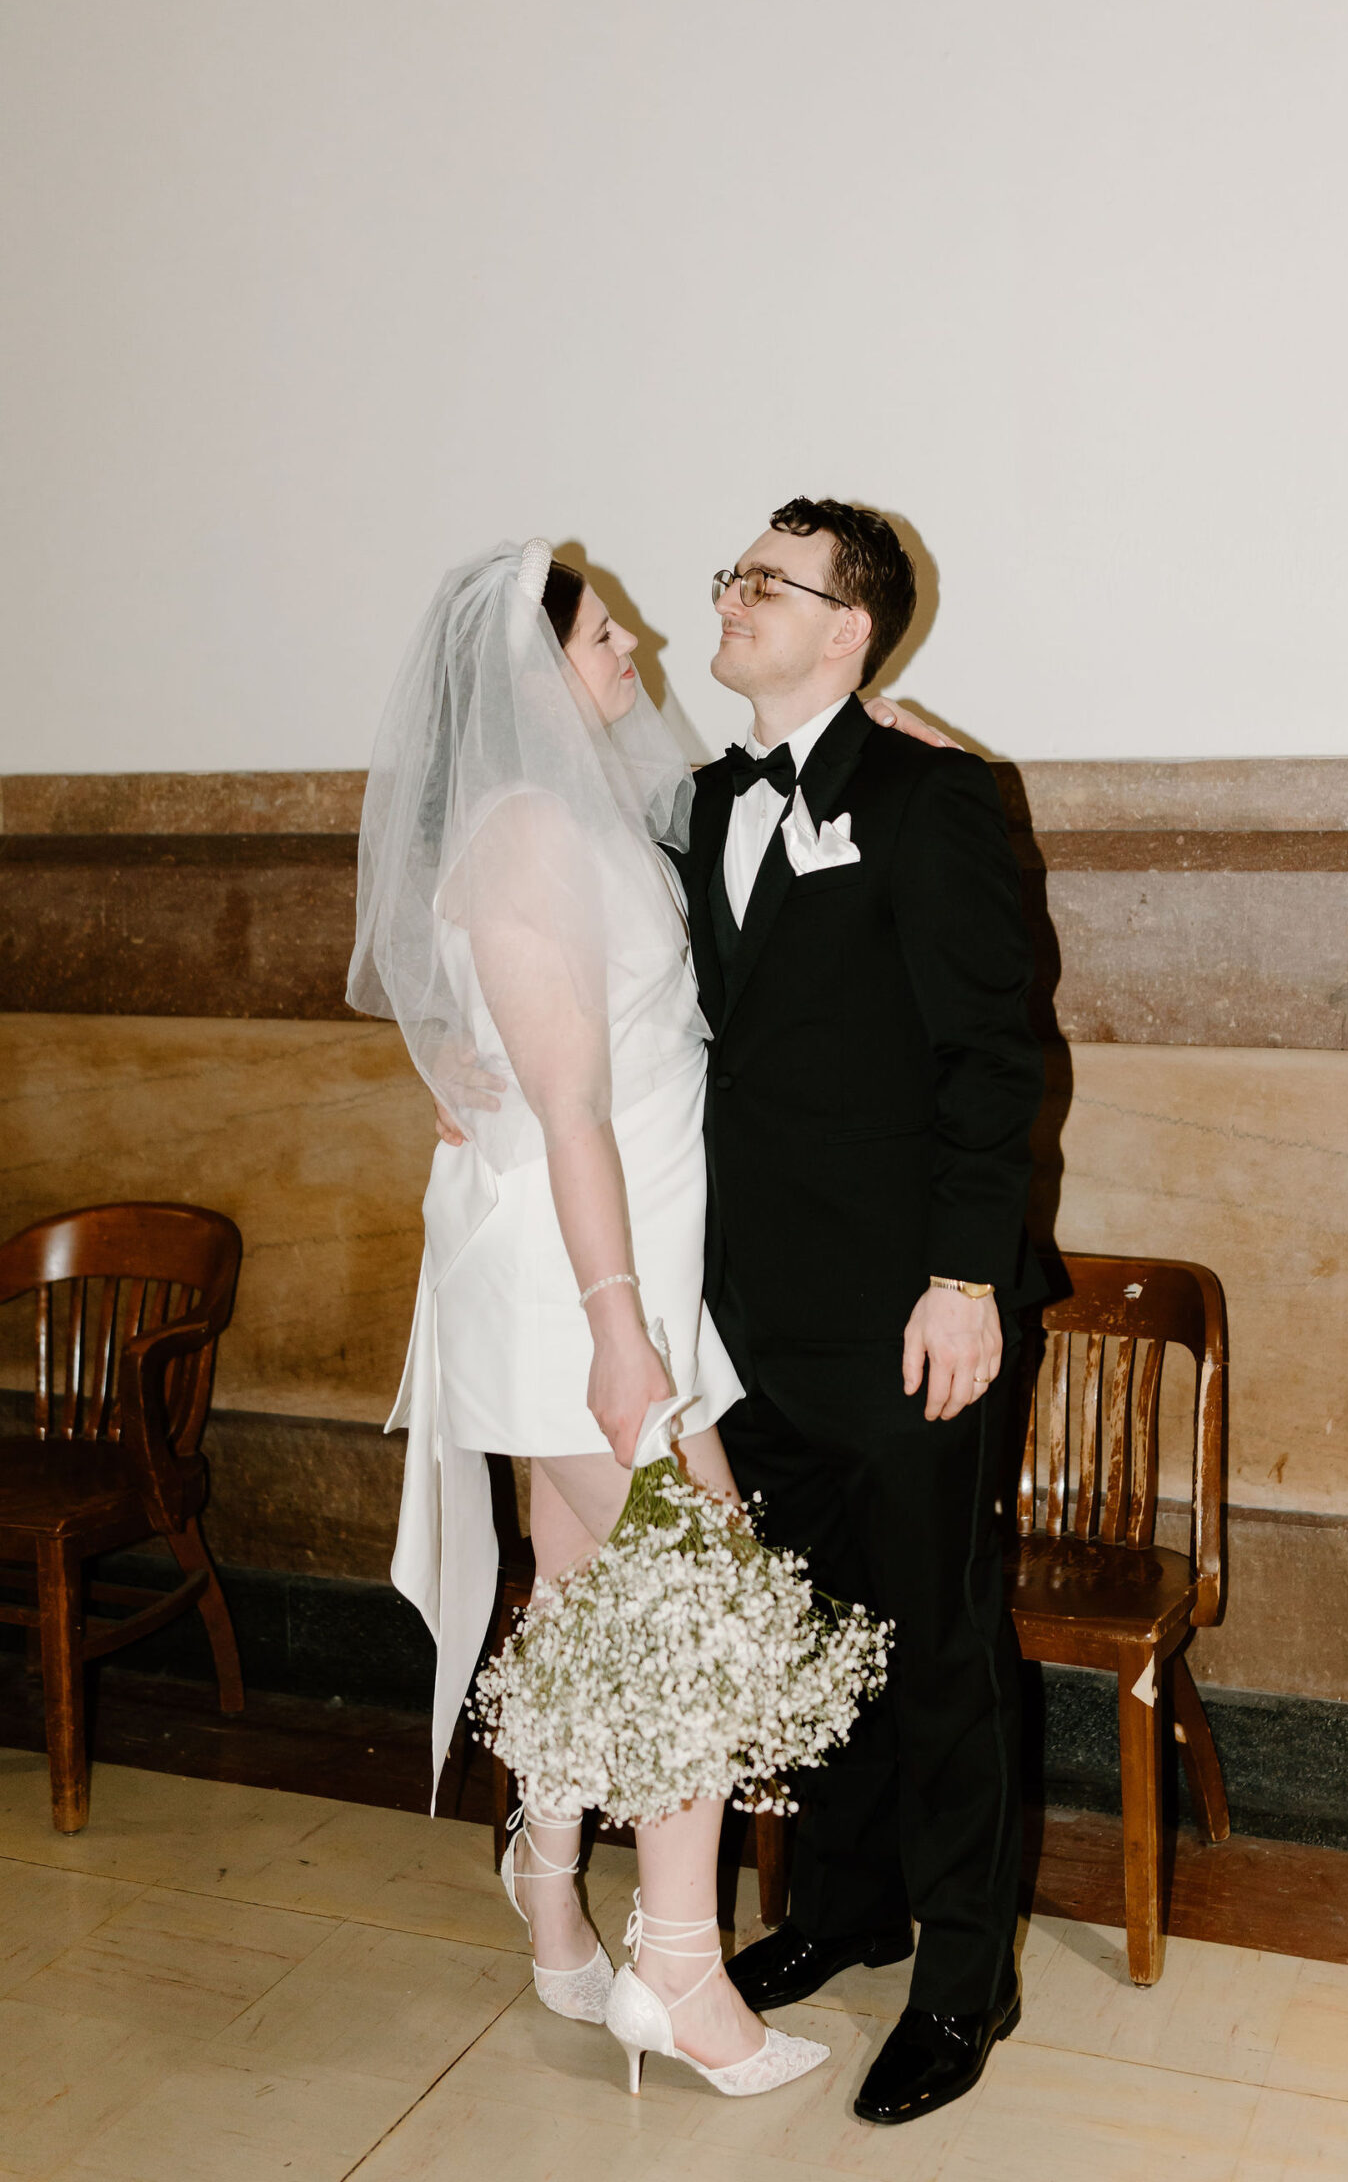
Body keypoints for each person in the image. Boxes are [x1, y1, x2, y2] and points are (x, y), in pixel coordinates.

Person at [349, 539, 826, 2097]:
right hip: (579, 1287)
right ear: (533, 671)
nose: (638, 658)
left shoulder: (583, 814)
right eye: (609, 637)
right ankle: (679, 1972)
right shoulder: (531, 837)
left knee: (576, 1590)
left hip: (609, 1270)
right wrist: (626, 1338)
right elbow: (565, 1108)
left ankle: (551, 1883)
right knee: (700, 1595)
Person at [684, 499, 1046, 2128]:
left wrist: (968, 1278)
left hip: (917, 1317)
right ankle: (838, 1909)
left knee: (947, 1644)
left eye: (772, 580)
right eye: (732, 571)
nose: (734, 593)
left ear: (849, 629)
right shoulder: (698, 805)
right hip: (761, 1316)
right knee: (816, 1640)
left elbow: (997, 1056)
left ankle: (966, 1980)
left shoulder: (933, 797)